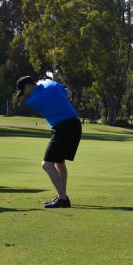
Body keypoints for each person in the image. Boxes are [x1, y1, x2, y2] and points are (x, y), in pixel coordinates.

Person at [16, 75, 82, 208]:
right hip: (75, 125)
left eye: (23, 92)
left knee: (46, 164)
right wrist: (54, 83)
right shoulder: (52, 85)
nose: (23, 95)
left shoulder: (32, 100)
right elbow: (68, 94)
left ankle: (63, 199)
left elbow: (43, 95)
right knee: (59, 162)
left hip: (62, 127)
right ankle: (61, 195)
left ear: (28, 86)